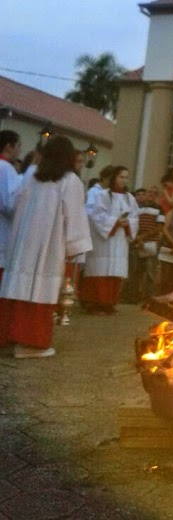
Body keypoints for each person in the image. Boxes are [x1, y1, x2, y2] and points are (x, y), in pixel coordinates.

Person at [0, 135, 92, 358]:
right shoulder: (71, 181)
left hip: (23, 243)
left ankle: (9, 337)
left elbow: (12, 204)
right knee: (41, 288)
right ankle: (31, 345)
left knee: (19, 286)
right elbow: (75, 217)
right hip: (49, 245)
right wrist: (75, 247)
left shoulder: (31, 174)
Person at [80, 166, 139, 314]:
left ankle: (109, 303)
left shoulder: (129, 198)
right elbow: (96, 216)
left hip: (119, 240)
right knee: (100, 272)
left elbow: (135, 217)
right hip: (104, 241)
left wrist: (128, 223)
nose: (124, 180)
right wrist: (115, 222)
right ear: (114, 178)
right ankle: (93, 303)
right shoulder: (102, 195)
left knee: (115, 272)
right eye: (121, 177)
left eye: (126, 177)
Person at [133, 189, 164, 301]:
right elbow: (135, 224)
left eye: (153, 193)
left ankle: (148, 298)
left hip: (151, 242)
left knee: (151, 272)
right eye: (148, 193)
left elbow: (159, 228)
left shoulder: (159, 209)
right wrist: (138, 238)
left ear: (156, 196)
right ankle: (135, 296)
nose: (150, 195)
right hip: (139, 242)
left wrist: (143, 237)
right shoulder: (139, 208)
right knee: (137, 271)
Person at [0, 130, 22, 281]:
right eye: (18, 146)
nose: (19, 150)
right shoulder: (5, 169)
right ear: (9, 146)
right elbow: (10, 204)